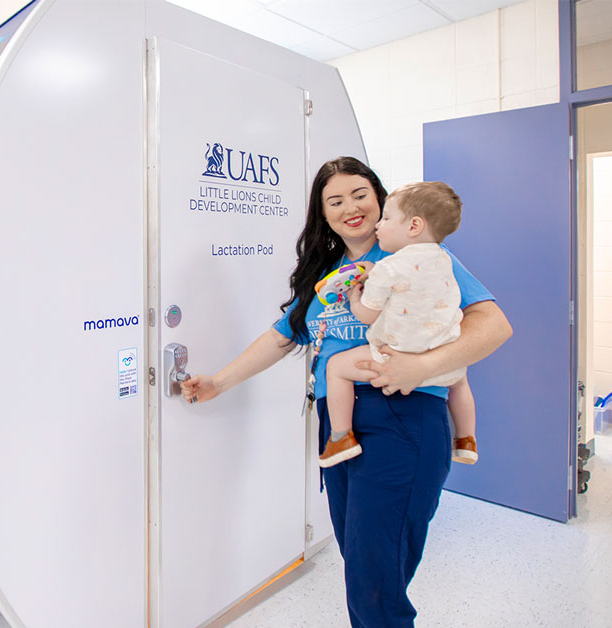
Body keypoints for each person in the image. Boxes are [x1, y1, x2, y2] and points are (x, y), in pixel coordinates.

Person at [180, 156, 512, 627]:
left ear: (380, 199)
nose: (350, 207)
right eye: (335, 200)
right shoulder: (328, 271)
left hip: (403, 417)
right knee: (363, 561)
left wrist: (421, 367)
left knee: (373, 577)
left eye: (359, 194)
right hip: (339, 429)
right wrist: (220, 381)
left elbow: (494, 325)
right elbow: (282, 335)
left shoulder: (417, 255)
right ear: (324, 213)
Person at [319, 181, 477, 468]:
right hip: (443, 358)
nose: (380, 225)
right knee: (461, 381)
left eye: (387, 218)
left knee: (336, 367)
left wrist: (355, 298)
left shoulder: (388, 268)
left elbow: (368, 315)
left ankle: (340, 437)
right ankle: (466, 440)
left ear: (414, 226)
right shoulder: (444, 259)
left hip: (393, 359)